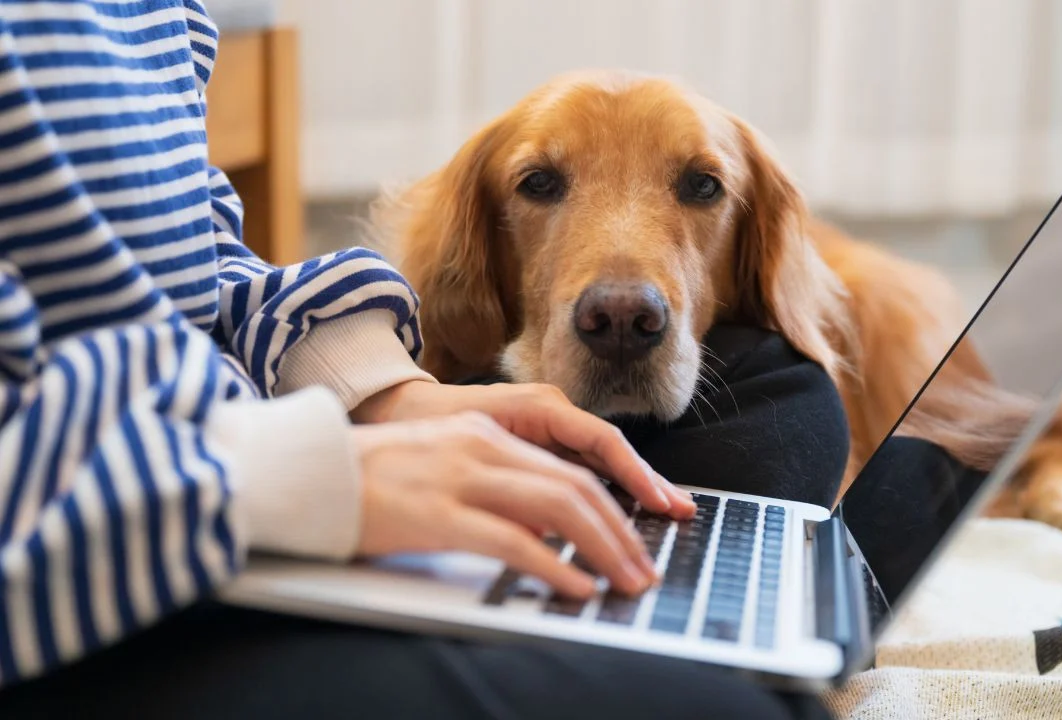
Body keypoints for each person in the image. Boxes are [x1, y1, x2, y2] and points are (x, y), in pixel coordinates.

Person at [0, 3, 881, 718]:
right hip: (99, 567)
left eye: (698, 188)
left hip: (212, 437)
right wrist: (301, 476)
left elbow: (196, 271)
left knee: (793, 395)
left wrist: (383, 395)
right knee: (728, 708)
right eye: (541, 185)